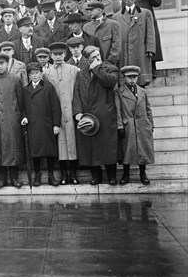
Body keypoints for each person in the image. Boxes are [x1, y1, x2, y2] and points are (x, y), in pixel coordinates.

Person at [72, 45, 120, 186]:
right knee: (91, 148)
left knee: (108, 147)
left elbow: (110, 82)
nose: (97, 59)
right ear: (87, 60)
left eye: (98, 56)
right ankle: (96, 176)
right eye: (93, 57)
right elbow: (77, 94)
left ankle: (112, 176)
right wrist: (78, 112)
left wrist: (97, 68)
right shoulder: (81, 74)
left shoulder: (109, 68)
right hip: (88, 116)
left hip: (105, 114)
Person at [0, 53, 24, 188]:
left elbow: (21, 100)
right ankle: (1, 179)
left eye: (2, 63)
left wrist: (18, 116)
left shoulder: (15, 79)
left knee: (13, 148)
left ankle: (14, 178)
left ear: (7, 64)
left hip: (12, 120)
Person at [44, 42, 81, 184]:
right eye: (55, 54)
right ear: (51, 56)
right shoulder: (46, 72)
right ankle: (64, 174)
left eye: (60, 54)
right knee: (60, 144)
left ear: (65, 54)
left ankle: (74, 173)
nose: (58, 57)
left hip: (71, 111)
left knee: (72, 142)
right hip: (56, 113)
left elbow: (78, 92)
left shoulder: (74, 70)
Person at [21, 62, 62, 186]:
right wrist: (24, 117)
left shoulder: (48, 87)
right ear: (28, 75)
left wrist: (56, 124)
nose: (34, 76)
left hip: (46, 124)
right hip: (33, 125)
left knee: (49, 152)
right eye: (32, 73)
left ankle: (51, 176)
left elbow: (55, 107)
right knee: (35, 153)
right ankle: (37, 176)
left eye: (37, 73)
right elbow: (23, 107)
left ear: (41, 74)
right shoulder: (26, 90)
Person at [116, 65, 154, 185]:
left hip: (142, 124)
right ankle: (125, 174)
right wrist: (120, 126)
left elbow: (148, 109)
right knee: (127, 150)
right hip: (128, 125)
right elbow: (117, 110)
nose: (132, 80)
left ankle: (143, 173)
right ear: (124, 78)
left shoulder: (142, 91)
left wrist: (150, 123)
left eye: (134, 77)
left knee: (143, 149)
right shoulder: (119, 92)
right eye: (129, 77)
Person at [112, 0, 156, 87]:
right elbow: (115, 37)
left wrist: (150, 49)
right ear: (123, 0)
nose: (128, 0)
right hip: (124, 53)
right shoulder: (116, 17)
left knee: (140, 79)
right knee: (125, 79)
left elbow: (150, 32)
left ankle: (141, 97)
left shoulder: (145, 13)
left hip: (140, 51)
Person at [131, 0, 163, 74]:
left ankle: (153, 69)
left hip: (149, 24)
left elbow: (158, 2)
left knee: (151, 45)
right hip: (136, 24)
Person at [83, 1, 121, 65]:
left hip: (109, 64)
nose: (89, 12)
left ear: (99, 10)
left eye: (91, 10)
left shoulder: (113, 24)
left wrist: (110, 61)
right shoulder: (86, 27)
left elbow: (116, 45)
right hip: (91, 64)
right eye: (88, 10)